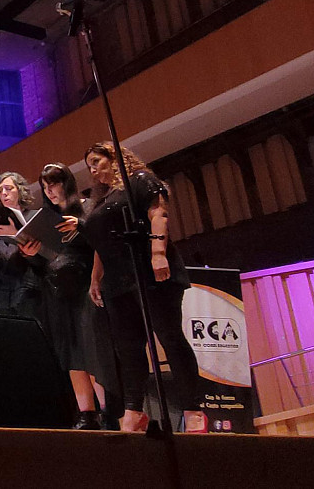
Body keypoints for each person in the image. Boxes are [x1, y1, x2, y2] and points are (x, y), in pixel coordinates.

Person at [81, 142, 207, 433]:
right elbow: (101, 243)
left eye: (97, 161)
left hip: (148, 269)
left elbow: (158, 213)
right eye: (89, 165)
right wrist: (94, 278)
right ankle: (134, 410)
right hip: (116, 279)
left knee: (170, 338)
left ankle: (193, 409)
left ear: (115, 158)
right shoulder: (98, 200)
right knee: (127, 349)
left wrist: (158, 252)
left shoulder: (139, 181)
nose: (93, 169)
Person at [36, 163, 121, 430]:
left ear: (67, 183)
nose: (49, 191)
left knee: (91, 348)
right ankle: (87, 413)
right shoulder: (45, 216)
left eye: (54, 183)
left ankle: (108, 410)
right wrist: (31, 250)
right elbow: (47, 256)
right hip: (58, 291)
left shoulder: (85, 207)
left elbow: (104, 242)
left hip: (85, 284)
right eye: (44, 186)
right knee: (71, 352)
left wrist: (81, 226)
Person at [0, 172, 45, 321]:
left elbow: (44, 259)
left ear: (20, 191)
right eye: (0, 191)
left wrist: (17, 235)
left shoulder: (33, 218)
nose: (4, 193)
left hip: (27, 294)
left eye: (9, 188)